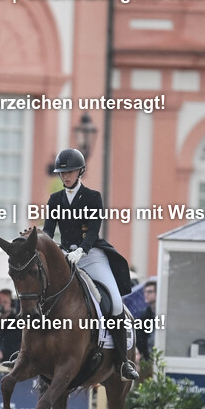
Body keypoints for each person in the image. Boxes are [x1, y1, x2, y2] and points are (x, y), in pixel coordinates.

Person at [37, 147, 138, 379]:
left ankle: (123, 362)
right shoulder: (55, 200)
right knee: (35, 293)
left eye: (70, 172)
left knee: (113, 302)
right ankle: (25, 353)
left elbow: (93, 231)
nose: (66, 176)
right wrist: (43, 247)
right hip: (64, 257)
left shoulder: (93, 197)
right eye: (62, 173)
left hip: (91, 255)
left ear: (80, 171)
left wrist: (81, 250)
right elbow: (49, 232)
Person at [0, 288, 22, 364]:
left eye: (5, 302)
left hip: (10, 364)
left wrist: (3, 354)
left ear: (11, 304)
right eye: (0, 302)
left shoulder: (17, 323)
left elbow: (18, 347)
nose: (2, 305)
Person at [135, 280, 157, 361]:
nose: (146, 295)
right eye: (145, 292)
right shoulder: (144, 316)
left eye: (150, 292)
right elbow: (140, 339)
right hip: (148, 357)